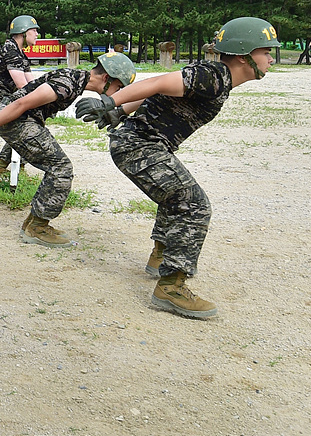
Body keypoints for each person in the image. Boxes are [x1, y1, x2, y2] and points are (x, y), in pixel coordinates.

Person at [76, 17, 279, 319]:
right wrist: (110, 102)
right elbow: (158, 82)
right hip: (139, 146)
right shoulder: (213, 75)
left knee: (176, 195)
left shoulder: (218, 78)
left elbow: (161, 92)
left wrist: (119, 111)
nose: (271, 58)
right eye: (266, 51)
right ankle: (170, 287)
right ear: (243, 54)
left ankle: (161, 258)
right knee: (195, 205)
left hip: (139, 143)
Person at [0, 51, 137, 247]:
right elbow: (21, 103)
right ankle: (37, 228)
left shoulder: (74, 79)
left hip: (24, 121)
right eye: (119, 87)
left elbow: (23, 94)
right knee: (61, 168)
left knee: (58, 167)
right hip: (19, 123)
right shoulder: (66, 84)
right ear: (106, 78)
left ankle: (34, 222)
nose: (118, 92)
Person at [0, 15, 40, 177]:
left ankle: (18, 165)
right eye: (34, 31)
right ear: (23, 32)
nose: (36, 34)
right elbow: (22, 85)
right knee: (23, 126)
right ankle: (1, 167)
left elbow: (32, 84)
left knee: (31, 123)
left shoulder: (21, 54)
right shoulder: (11, 50)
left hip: (8, 99)